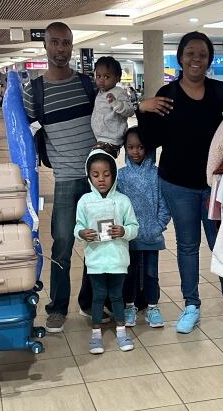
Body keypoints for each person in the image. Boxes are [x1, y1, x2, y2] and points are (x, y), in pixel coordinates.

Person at [137, 31, 223, 340]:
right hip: (177, 184)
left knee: (222, 244)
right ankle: (191, 305)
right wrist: (142, 109)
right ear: (180, 58)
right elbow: (150, 140)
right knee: (187, 246)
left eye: (202, 53)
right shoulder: (168, 94)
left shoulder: (221, 94)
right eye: (190, 53)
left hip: (216, 185)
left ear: (209, 58)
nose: (195, 59)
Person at [23, 21, 103, 333]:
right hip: (67, 179)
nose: (61, 49)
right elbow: (27, 137)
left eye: (66, 43)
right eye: (55, 42)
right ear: (46, 46)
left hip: (98, 180)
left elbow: (107, 118)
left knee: (99, 243)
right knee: (62, 244)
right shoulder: (36, 92)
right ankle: (57, 307)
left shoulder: (87, 85)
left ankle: (89, 302)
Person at [75, 150, 139, 354]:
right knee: (98, 296)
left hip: (118, 260)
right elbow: (77, 226)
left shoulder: (123, 201)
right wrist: (82, 233)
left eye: (106, 174)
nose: (101, 179)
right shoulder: (84, 201)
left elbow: (134, 227)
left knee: (117, 296)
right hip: (95, 260)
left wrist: (124, 231)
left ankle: (121, 332)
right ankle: (95, 335)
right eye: (95, 175)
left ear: (114, 175)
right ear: (89, 176)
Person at [116, 127, 170, 328]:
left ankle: (152, 306)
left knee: (151, 273)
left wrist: (158, 226)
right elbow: (117, 205)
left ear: (147, 148)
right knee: (129, 273)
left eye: (140, 147)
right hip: (129, 237)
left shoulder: (157, 174)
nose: (136, 151)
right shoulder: (120, 176)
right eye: (131, 147)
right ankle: (129, 305)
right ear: (125, 149)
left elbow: (165, 204)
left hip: (152, 236)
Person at [91, 56, 135, 157]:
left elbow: (130, 110)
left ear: (117, 78)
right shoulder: (100, 92)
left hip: (113, 138)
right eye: (98, 76)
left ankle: (113, 149)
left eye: (106, 77)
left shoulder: (119, 92)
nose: (101, 80)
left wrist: (116, 104)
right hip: (100, 138)